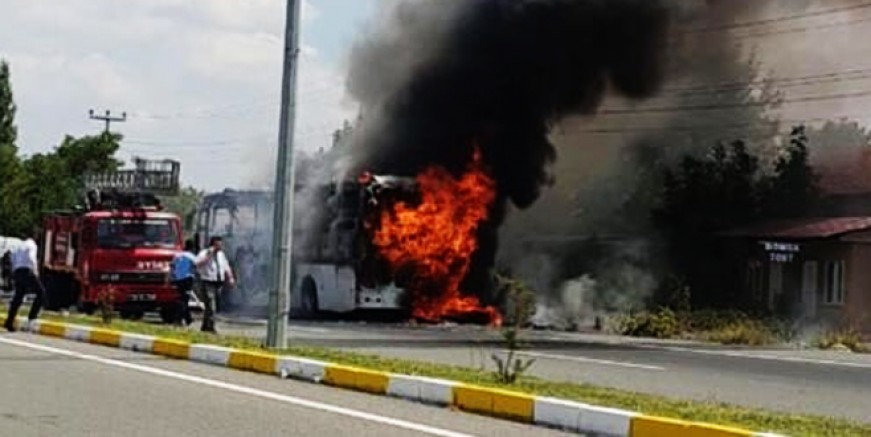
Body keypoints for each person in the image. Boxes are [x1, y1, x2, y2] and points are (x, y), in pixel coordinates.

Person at [5, 231, 46, 332]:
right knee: (41, 293)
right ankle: (32, 318)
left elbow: (12, 258)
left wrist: (14, 271)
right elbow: (32, 258)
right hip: (27, 271)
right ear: (34, 236)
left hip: (18, 271)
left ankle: (9, 322)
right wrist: (36, 271)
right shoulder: (32, 244)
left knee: (18, 297)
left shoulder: (18, 245)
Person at [195, 236, 234, 333]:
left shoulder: (221, 255)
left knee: (210, 306)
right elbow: (198, 264)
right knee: (212, 305)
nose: (220, 246)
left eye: (221, 244)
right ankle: (211, 327)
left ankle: (205, 326)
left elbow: (226, 267)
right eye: (217, 245)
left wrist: (230, 277)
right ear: (213, 244)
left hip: (218, 282)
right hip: (208, 281)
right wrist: (209, 255)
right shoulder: (204, 253)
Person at [170, 239, 197, 326]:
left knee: (183, 297)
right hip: (187, 279)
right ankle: (178, 319)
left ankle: (188, 318)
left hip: (178, 279)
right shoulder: (191, 256)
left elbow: (172, 266)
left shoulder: (177, 255)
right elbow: (197, 266)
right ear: (192, 247)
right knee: (184, 299)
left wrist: (170, 277)